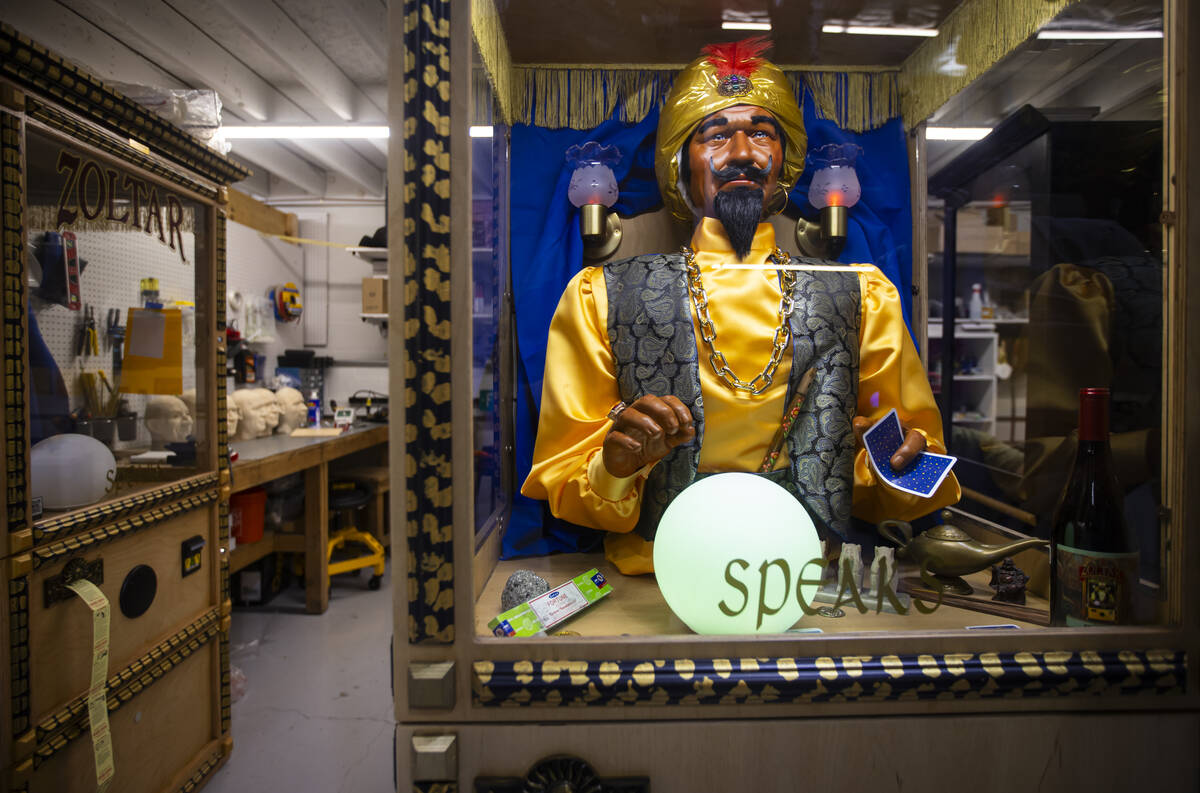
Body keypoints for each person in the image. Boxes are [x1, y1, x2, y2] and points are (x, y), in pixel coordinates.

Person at [522, 38, 959, 574]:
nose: (743, 154)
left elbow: (908, 463)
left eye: (760, 133)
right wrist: (614, 468)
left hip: (806, 575)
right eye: (716, 135)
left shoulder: (863, 294)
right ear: (681, 161)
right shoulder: (603, 294)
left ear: (784, 161)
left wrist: (901, 465)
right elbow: (567, 467)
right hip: (661, 573)